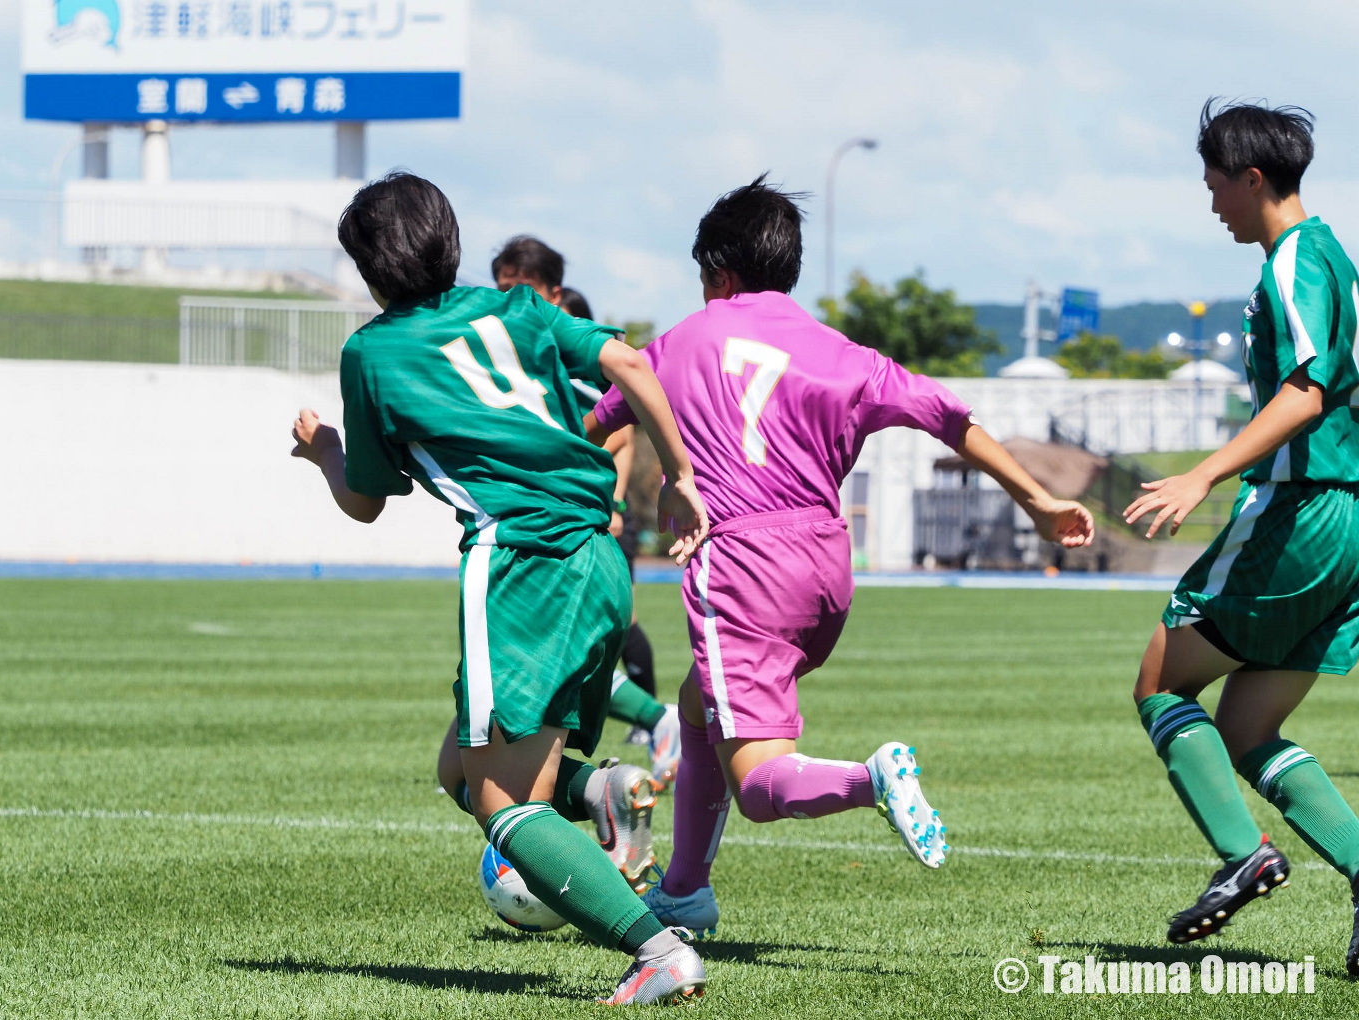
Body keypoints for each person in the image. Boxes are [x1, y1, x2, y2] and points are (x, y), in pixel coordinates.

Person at [586, 175, 1094, 937]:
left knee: (756, 782)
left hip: (742, 567)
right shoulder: (844, 355)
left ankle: (872, 779)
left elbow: (590, 428)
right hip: (824, 569)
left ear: (719, 275)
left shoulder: (677, 344)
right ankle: (685, 889)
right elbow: (949, 418)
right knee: (697, 706)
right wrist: (1039, 501)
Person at [290, 171, 709, 1004]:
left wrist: (326, 453)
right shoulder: (514, 307)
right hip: (597, 558)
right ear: (448, 240)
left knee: (501, 801)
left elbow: (367, 503)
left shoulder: (372, 352)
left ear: (371, 273)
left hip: (520, 563)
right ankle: (608, 791)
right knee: (459, 765)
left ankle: (657, 949)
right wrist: (680, 476)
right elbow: (627, 359)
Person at [1124, 100, 1359, 970]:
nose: (1211, 200)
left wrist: (1203, 473)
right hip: (1351, 523)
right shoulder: (1338, 257)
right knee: (1249, 729)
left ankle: (1244, 855)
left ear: (1252, 179)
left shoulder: (1295, 259)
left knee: (1158, 679)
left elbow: (1307, 390)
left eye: (1215, 183)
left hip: (1303, 512)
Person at [492, 241, 680, 786]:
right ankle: (643, 733)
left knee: (596, 640)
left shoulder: (569, 347)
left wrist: (617, 500)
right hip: (535, 522)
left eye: (517, 288)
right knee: (525, 652)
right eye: (500, 287)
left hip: (580, 525)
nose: (506, 298)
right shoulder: (503, 349)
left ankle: (652, 722)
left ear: (552, 292)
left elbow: (616, 427)